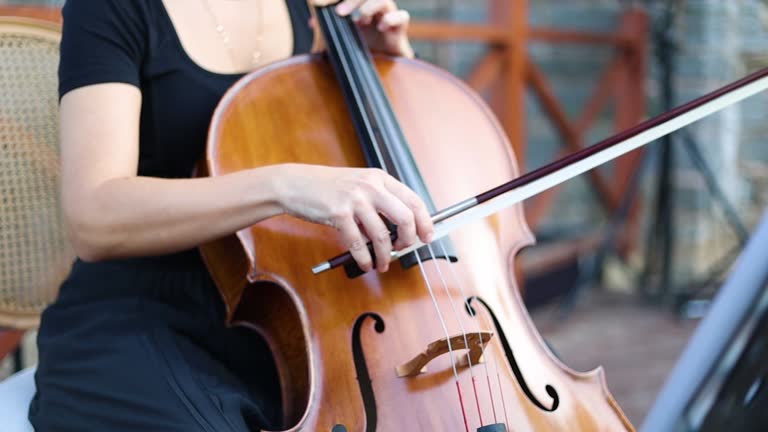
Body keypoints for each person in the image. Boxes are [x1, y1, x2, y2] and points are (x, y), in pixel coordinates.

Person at [29, 0, 434, 430]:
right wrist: (281, 186)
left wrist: (386, 63)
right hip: (143, 317)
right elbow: (93, 218)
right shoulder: (111, 9)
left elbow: (374, 172)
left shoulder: (314, 10)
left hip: (293, 315)